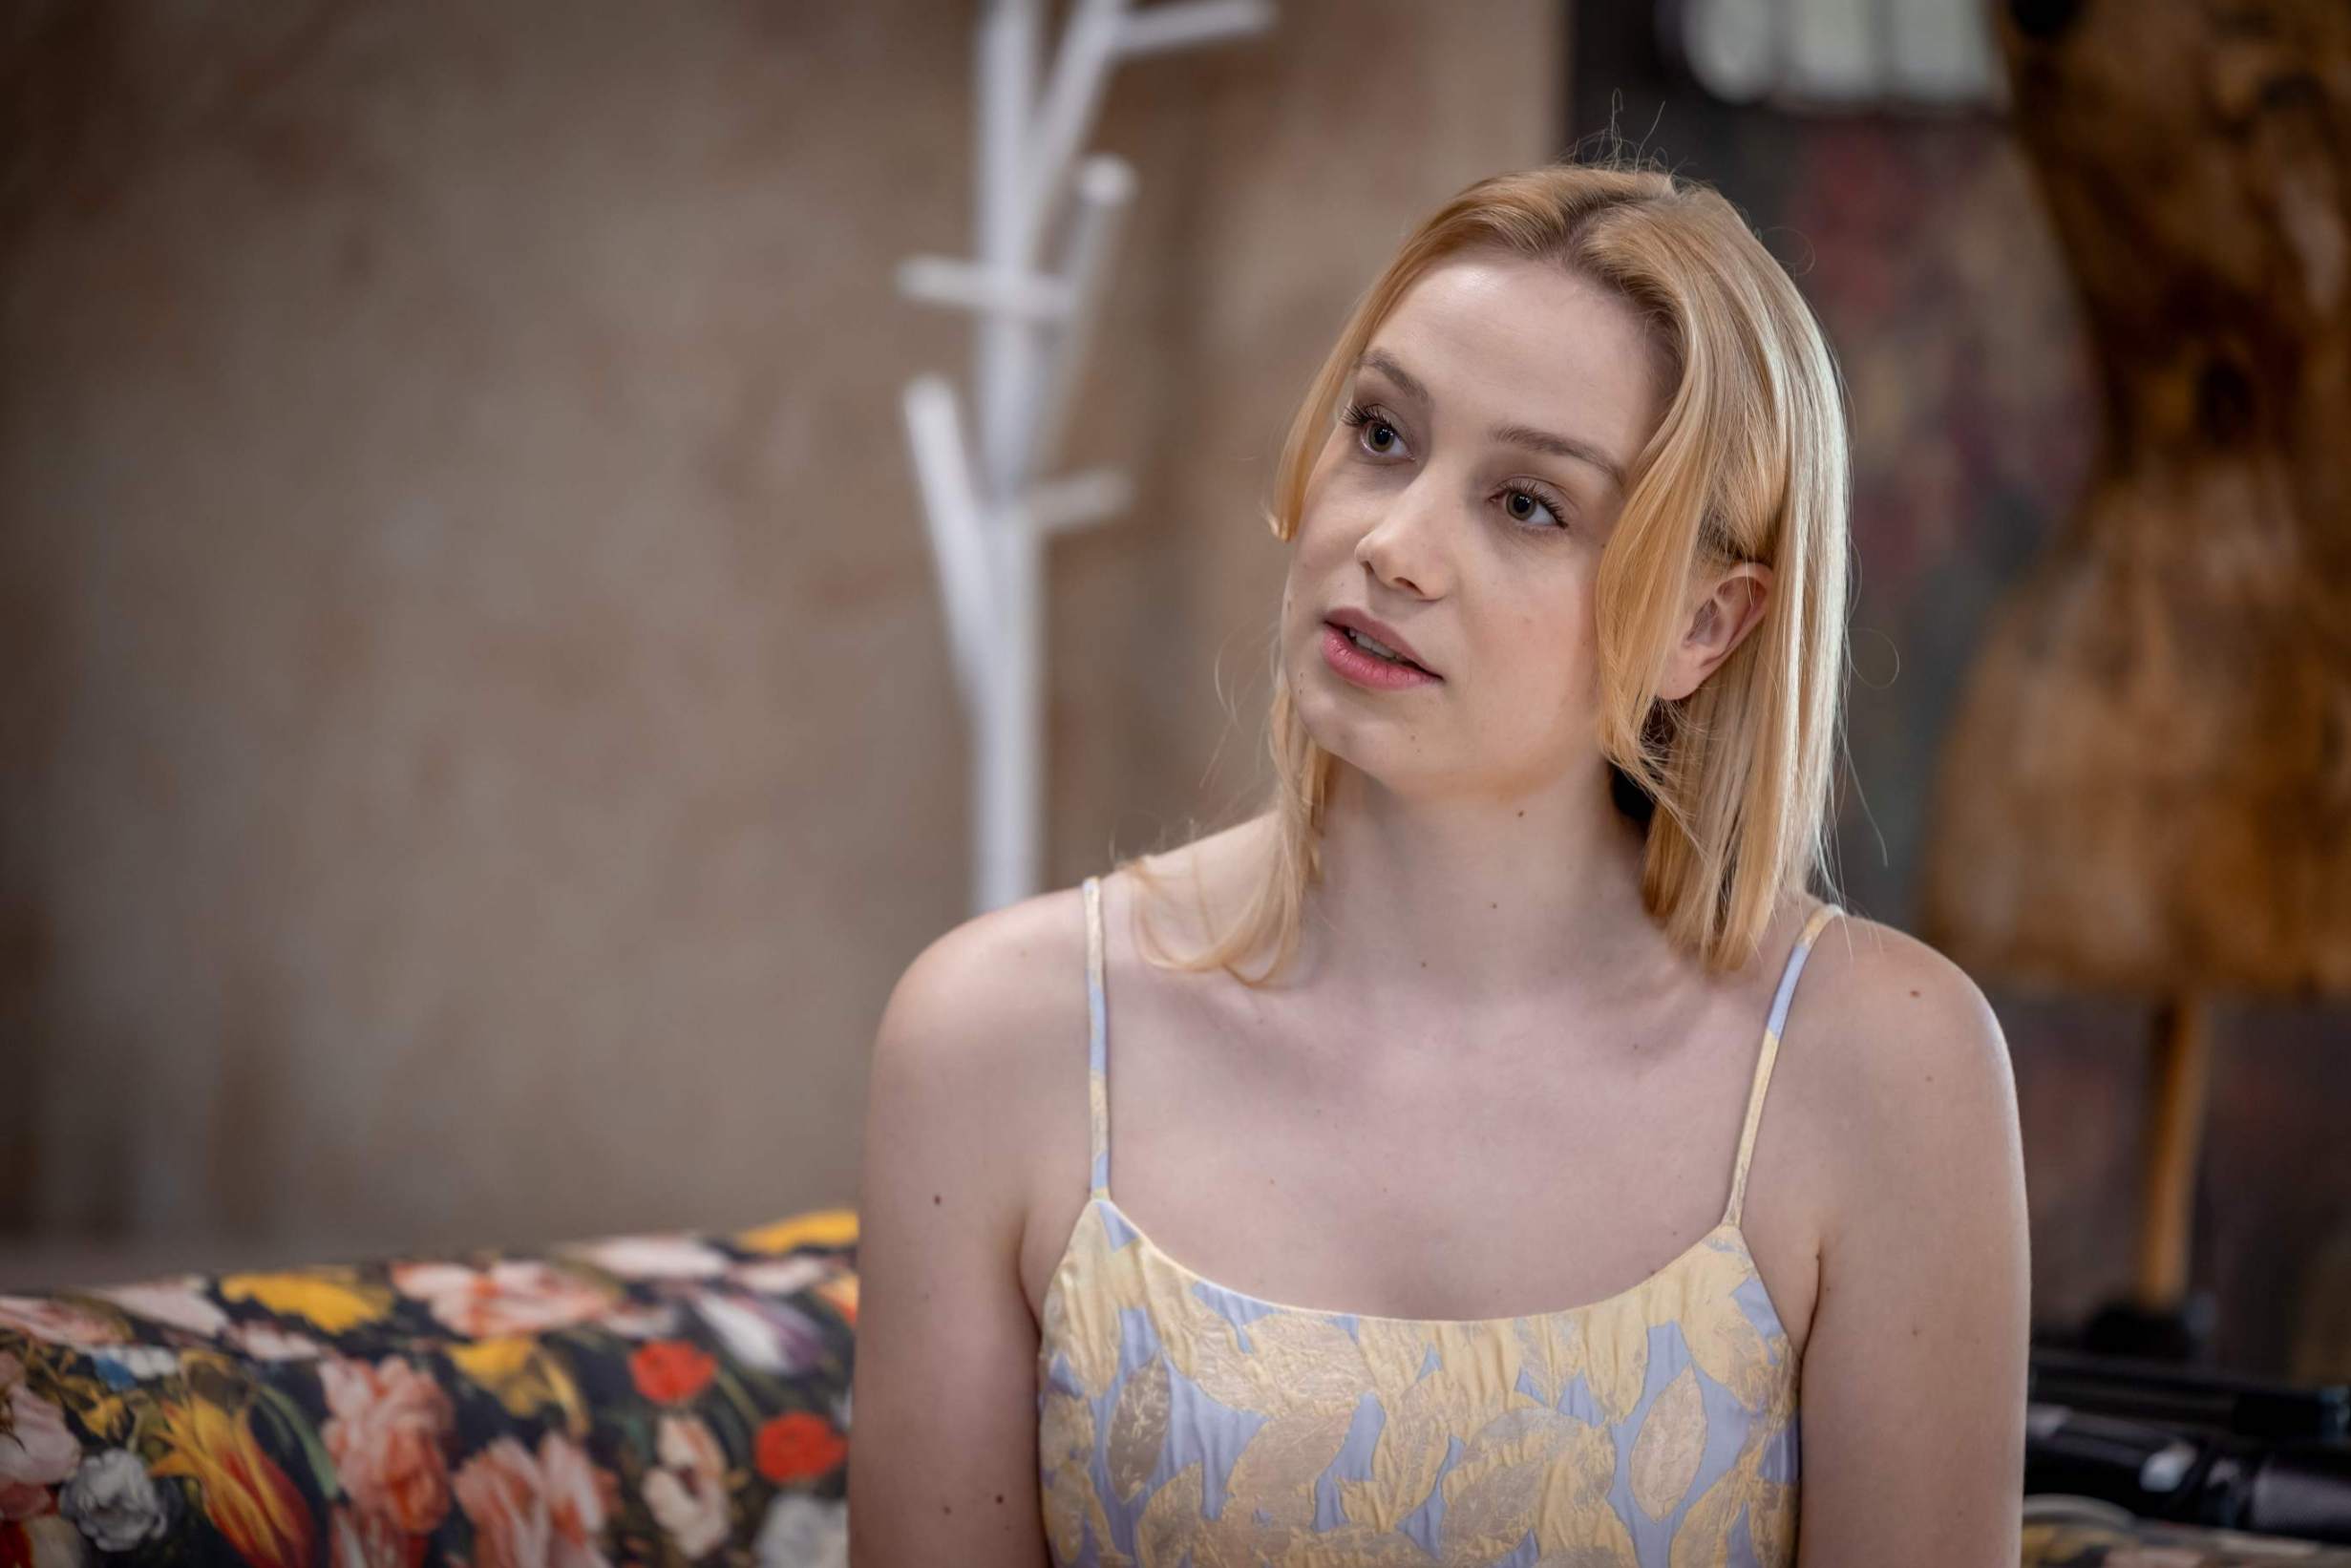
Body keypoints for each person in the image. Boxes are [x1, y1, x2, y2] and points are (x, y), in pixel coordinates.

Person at [848, 156, 2030, 1566]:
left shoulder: (1885, 1070)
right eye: (1382, 433)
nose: (1391, 544)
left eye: (1528, 504)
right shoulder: (998, 1035)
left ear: (1703, 628)